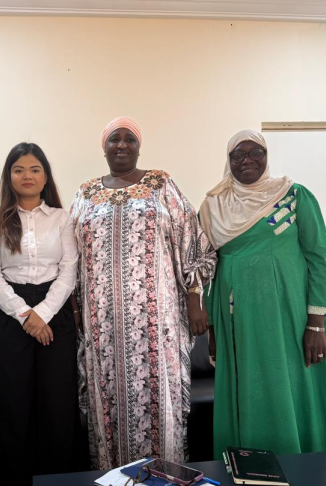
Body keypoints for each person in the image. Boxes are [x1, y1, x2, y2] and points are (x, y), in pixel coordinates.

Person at [69, 117, 217, 470]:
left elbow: (191, 241)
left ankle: (165, 474)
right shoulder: (86, 193)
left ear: (139, 147)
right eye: (114, 139)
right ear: (104, 147)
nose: (122, 145)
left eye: (129, 139)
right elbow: (69, 255)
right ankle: (113, 475)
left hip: (156, 322)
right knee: (107, 401)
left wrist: (195, 299)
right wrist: (74, 310)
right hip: (102, 324)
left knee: (159, 399)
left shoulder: (161, 184)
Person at [199, 129, 326, 460]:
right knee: (250, 387)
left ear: (267, 156)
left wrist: (316, 324)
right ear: (228, 160)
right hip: (238, 319)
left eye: (256, 152)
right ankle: (252, 468)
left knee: (293, 383)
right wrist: (212, 329)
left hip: (290, 316)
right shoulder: (212, 206)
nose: (247, 160)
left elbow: (318, 259)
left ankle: (308, 465)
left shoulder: (293, 196)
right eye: (238, 155)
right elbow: (207, 270)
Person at [0, 142, 79, 486]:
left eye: (35, 169)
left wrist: (44, 313)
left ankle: (60, 480)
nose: (28, 175)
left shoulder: (62, 218)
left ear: (45, 176)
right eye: (19, 169)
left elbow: (69, 271)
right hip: (10, 316)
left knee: (57, 404)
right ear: (9, 176)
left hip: (56, 315)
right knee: (13, 404)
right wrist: (26, 315)